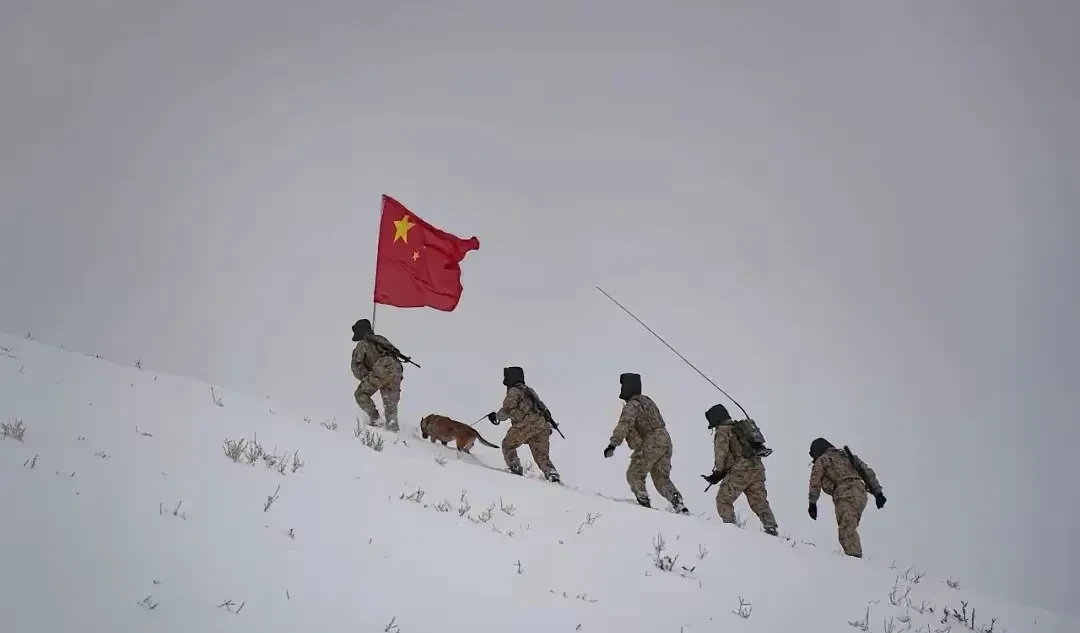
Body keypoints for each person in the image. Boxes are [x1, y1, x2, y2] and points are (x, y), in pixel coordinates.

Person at [603, 372, 690, 514]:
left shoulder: (633, 405)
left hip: (653, 440)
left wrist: (613, 444)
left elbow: (625, 424)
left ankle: (644, 505)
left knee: (634, 474)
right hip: (665, 439)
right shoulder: (648, 401)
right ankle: (678, 503)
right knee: (661, 478)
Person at [701, 403, 778, 535]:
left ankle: (731, 530)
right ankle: (771, 528)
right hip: (757, 468)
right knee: (759, 501)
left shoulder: (723, 431)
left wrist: (717, 473)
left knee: (723, 499)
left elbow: (721, 455)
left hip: (741, 470)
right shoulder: (739, 428)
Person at [806, 437, 887, 558]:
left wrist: (812, 503)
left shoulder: (822, 460)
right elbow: (867, 472)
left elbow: (815, 481)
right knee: (850, 526)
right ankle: (854, 556)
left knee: (846, 529)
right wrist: (878, 493)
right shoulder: (848, 456)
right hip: (860, 493)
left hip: (845, 494)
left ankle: (855, 560)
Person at [486, 366, 561, 483]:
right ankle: (551, 473)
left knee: (508, 445)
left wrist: (496, 417)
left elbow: (507, 409)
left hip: (526, 425)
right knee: (542, 457)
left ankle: (515, 468)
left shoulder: (514, 391)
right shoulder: (529, 391)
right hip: (542, 426)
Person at [350, 318, 406, 431]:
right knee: (391, 408)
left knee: (360, 395)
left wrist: (367, 378)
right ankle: (393, 431)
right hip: (396, 369)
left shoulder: (363, 344)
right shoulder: (381, 340)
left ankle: (375, 421)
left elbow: (356, 367)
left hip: (382, 367)